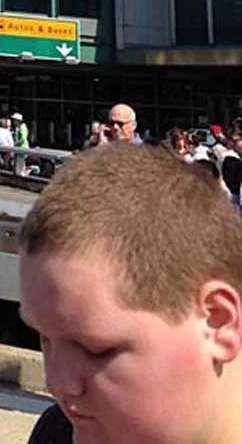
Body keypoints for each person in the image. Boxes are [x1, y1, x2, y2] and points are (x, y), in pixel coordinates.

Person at [19, 143, 242, 444]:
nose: (58, 383)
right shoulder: (57, 433)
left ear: (218, 322)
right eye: (45, 339)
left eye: (97, 351)